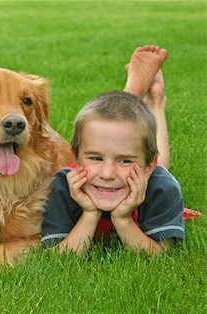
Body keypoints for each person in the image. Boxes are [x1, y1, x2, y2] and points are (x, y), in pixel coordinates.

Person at [41, 45, 185, 255]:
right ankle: (141, 100)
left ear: (148, 166)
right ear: (76, 159)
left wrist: (123, 219)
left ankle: (155, 102)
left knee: (159, 168)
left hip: (152, 174)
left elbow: (160, 256)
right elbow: (58, 258)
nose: (107, 174)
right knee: (127, 143)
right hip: (116, 167)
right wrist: (89, 214)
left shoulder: (162, 188)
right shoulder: (62, 187)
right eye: (95, 157)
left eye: (125, 161)